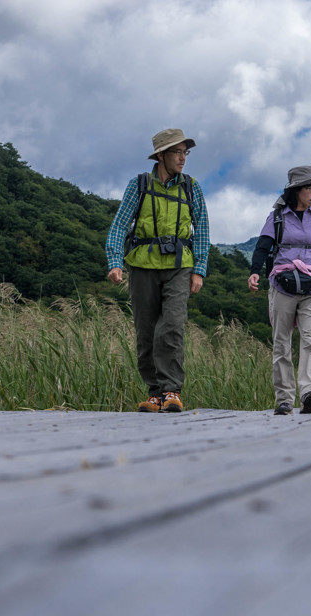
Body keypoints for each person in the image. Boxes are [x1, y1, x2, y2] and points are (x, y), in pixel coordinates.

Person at [105, 128, 210, 413]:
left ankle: (172, 391)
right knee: (146, 332)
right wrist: (115, 261)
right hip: (142, 265)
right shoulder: (138, 185)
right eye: (178, 152)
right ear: (161, 155)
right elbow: (119, 225)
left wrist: (199, 268)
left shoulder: (191, 187)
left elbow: (201, 230)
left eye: (185, 153)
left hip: (180, 266)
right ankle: (154, 394)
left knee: (172, 326)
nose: (183, 158)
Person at [247, 166, 311, 415]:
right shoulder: (277, 218)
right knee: (282, 342)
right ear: (296, 190)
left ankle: (310, 393)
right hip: (282, 285)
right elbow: (262, 245)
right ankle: (284, 399)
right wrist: (255, 271)